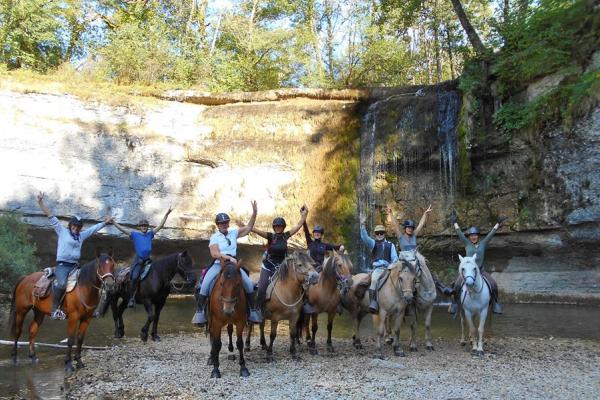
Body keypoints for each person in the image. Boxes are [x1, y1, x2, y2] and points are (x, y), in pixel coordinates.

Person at [36, 192, 112, 320]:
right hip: (62, 266)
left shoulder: (81, 236)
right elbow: (51, 216)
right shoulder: (62, 231)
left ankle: (85, 308)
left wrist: (105, 222)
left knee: (88, 282)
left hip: (75, 266)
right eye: (74, 225)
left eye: (78, 226)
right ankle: (55, 309)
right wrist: (40, 203)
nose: (76, 228)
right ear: (70, 225)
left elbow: (93, 229)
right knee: (61, 284)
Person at [191, 201, 262, 326]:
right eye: (221, 223)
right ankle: (200, 313)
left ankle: (252, 311)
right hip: (219, 264)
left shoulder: (234, 233)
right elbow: (214, 254)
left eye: (225, 222)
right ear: (218, 225)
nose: (224, 225)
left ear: (228, 223)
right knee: (204, 285)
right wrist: (228, 257)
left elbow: (249, 227)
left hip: (234, 265)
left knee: (249, 285)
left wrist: (255, 213)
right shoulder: (215, 237)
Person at [112, 207, 173, 307]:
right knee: (135, 277)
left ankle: (156, 295)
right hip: (139, 261)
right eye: (142, 226)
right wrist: (114, 222)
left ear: (147, 227)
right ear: (139, 227)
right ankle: (131, 298)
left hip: (148, 260)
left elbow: (161, 226)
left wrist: (167, 214)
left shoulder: (150, 234)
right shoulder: (135, 234)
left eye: (145, 226)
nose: (144, 227)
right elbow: (123, 229)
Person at [387, 204, 453, 296]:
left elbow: (421, 224)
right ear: (405, 228)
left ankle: (441, 287)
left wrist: (425, 213)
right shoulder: (400, 237)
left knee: (428, 271)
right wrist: (390, 213)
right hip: (404, 261)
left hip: (415, 260)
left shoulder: (414, 235)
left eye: (411, 228)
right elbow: (395, 226)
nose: (410, 229)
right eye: (408, 228)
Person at [449, 211, 507, 315]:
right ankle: (454, 304)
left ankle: (495, 304)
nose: (473, 237)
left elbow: (491, 234)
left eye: (475, 235)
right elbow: (460, 233)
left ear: (478, 236)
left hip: (480, 271)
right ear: (470, 236)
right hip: (468, 272)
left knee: (493, 284)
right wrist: (455, 223)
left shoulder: (483, 244)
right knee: (456, 285)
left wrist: (497, 224)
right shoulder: (467, 243)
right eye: (471, 235)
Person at [253, 205, 309, 312]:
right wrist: (250, 226)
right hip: (268, 265)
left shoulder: (286, 236)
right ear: (274, 227)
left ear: (283, 227)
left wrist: (304, 215)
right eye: (276, 226)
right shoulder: (270, 236)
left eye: (280, 226)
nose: (278, 228)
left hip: (283, 265)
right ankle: (258, 309)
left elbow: (298, 225)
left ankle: (302, 305)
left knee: (300, 282)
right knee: (262, 287)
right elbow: (256, 230)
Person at [359, 214, 399, 313]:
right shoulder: (373, 243)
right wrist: (362, 224)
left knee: (401, 279)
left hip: (389, 268)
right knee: (374, 280)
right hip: (377, 269)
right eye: (377, 233)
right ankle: (373, 302)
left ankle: (403, 302)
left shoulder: (391, 245)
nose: (379, 235)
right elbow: (365, 238)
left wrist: (391, 267)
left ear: (384, 234)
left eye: (381, 233)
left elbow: (395, 259)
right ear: (375, 234)